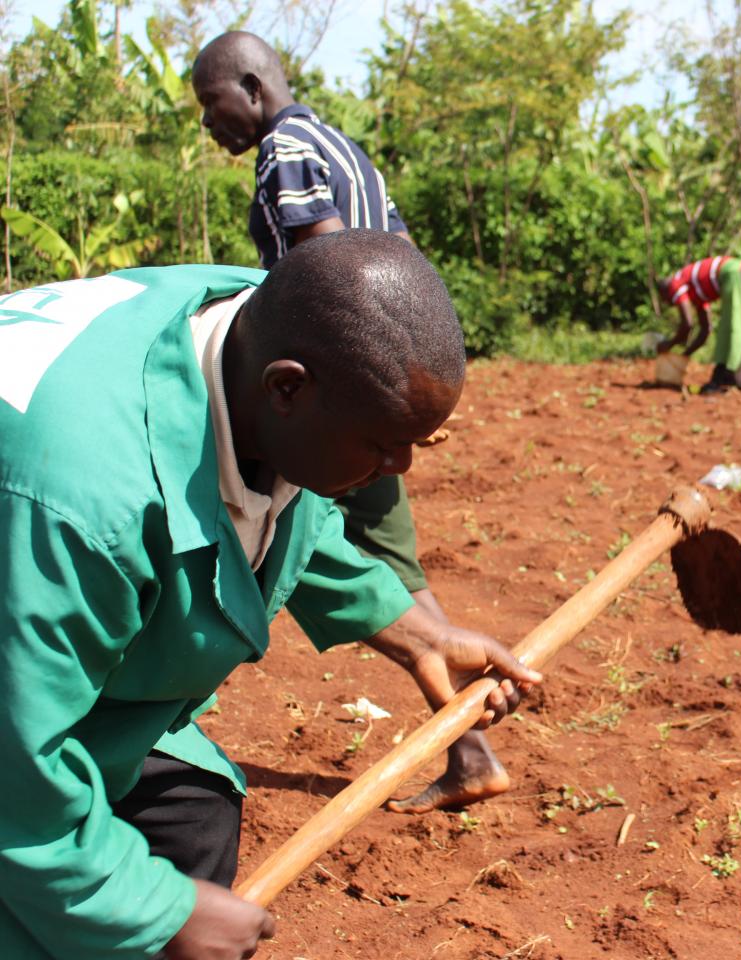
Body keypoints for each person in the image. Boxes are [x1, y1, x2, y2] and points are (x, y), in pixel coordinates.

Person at [0, 231, 542, 960]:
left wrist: (421, 636)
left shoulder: (263, 331)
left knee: (191, 816)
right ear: (286, 388)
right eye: (383, 444)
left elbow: (286, 505)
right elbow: (14, 775)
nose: (399, 470)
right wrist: (156, 915)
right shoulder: (84, 504)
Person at [192, 31, 505, 813]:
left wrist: (356, 394)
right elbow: (403, 264)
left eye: (212, 102)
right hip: (368, 395)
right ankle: (470, 749)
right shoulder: (346, 148)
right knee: (387, 566)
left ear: (253, 86)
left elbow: (331, 281)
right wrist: (406, 394)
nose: (211, 123)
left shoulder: (286, 149)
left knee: (300, 550)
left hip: (325, 408)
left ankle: (161, 734)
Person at [656, 254, 741, 394]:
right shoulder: (698, 291)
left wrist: (669, 344)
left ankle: (723, 380)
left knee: (733, 327)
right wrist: (685, 354)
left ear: (664, 292)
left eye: (664, 299)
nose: (667, 302)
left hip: (734, 274)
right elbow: (705, 329)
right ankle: (740, 380)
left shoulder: (674, 284)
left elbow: (687, 324)